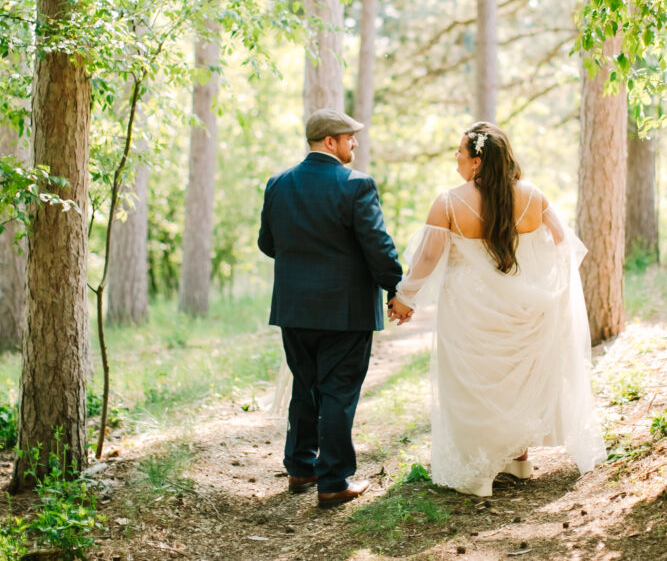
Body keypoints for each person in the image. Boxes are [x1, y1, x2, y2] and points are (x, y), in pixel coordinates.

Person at [390, 122, 605, 497]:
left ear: (476, 162)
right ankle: (519, 460)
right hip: (523, 306)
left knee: (477, 383)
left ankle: (481, 472)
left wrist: (405, 297)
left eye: (459, 153)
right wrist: (545, 286)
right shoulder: (534, 196)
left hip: (469, 310)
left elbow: (427, 257)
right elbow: (565, 246)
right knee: (514, 378)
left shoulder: (448, 203)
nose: (455, 159)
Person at [258, 108, 406, 507]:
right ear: (330, 142)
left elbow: (267, 244)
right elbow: (377, 246)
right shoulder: (356, 185)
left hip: (294, 309)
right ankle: (334, 481)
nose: (354, 142)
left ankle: (301, 467)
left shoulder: (278, 184)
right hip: (345, 312)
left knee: (305, 388)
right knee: (338, 392)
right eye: (349, 137)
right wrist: (396, 287)